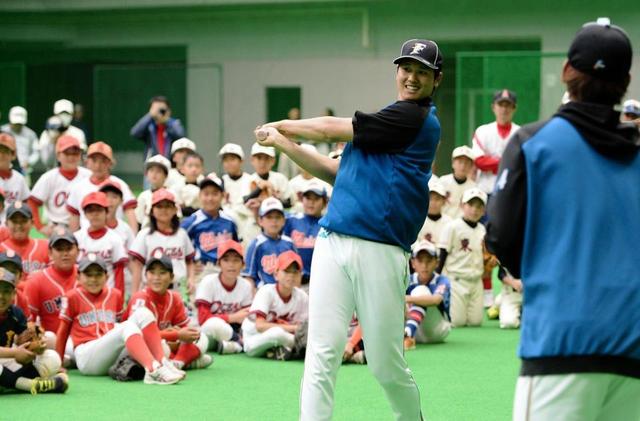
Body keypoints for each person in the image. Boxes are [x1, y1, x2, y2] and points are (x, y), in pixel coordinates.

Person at [255, 38, 442, 420]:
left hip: (381, 249)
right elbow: (334, 171)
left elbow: (326, 129)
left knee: (384, 363)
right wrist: (281, 143)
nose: (411, 77)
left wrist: (282, 124)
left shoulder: (417, 119)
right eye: (406, 69)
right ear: (397, 71)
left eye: (422, 72)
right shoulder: (387, 118)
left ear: (435, 80)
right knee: (321, 353)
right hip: (333, 241)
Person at [486, 18, 640, 420]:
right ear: (625, 82)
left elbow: (499, 234)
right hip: (632, 347)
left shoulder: (533, 142)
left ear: (566, 72)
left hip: (562, 341)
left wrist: (540, 271)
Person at [56, 253, 184, 384]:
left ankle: (162, 362)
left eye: (98, 274)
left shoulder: (115, 295)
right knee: (127, 327)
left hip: (111, 353)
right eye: (88, 275)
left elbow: (123, 329)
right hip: (87, 356)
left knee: (143, 313)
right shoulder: (71, 297)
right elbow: (62, 332)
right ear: (78, 277)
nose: (93, 279)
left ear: (106, 276)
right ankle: (152, 370)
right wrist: (58, 364)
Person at [123, 251, 212, 370]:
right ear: (146, 276)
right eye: (152, 272)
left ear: (171, 277)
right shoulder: (140, 299)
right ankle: (188, 361)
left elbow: (185, 330)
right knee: (162, 348)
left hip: (167, 345)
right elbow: (136, 338)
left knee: (200, 337)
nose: (156, 277)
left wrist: (179, 334)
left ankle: (177, 363)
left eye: (162, 273)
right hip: (139, 348)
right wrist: (175, 335)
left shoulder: (174, 298)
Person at [0, 269, 69, 394]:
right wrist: (16, 352)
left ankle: (8, 382)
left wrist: (36, 347)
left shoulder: (16, 313)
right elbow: (16, 352)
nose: (1, 296)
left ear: (13, 294)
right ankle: (32, 385)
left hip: (4, 364)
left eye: (6, 291)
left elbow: (25, 344)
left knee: (52, 358)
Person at [241, 250, 308, 358]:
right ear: (276, 274)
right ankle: (298, 349)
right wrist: (294, 328)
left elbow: (303, 326)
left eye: (295, 272)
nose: (291, 276)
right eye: (286, 271)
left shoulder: (302, 297)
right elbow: (260, 326)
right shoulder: (266, 291)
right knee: (277, 333)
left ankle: (279, 352)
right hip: (254, 340)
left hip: (283, 339)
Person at [24, 227, 79, 357]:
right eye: (59, 249)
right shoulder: (37, 280)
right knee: (48, 337)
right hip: (54, 342)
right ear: (50, 253)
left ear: (78, 251)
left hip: (84, 339)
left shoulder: (88, 276)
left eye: (69, 248)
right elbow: (29, 321)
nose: (65, 253)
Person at [129, 189, 195, 294]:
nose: (164, 210)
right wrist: (134, 294)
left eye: (168, 206)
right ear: (152, 211)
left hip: (178, 290)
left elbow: (189, 261)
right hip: (152, 289)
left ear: (174, 210)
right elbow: (137, 267)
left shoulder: (181, 234)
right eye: (159, 206)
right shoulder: (145, 235)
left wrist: (191, 278)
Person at [437, 188, 487, 327]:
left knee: (475, 322)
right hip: (456, 280)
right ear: (462, 206)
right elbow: (443, 254)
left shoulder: (483, 230)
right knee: (457, 322)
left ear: (484, 210)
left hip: (476, 281)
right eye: (470, 205)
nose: (474, 210)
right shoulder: (452, 227)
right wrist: (437, 278)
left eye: (479, 206)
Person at [66, 141, 138, 233]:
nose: (98, 165)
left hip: (115, 237)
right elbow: (74, 218)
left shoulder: (120, 185)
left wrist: (133, 236)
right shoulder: (79, 187)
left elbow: (130, 213)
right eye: (94, 160)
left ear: (110, 163)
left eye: (103, 161)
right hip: (87, 239)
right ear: (87, 162)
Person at [196, 240, 253, 354]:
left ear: (243, 264)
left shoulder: (246, 285)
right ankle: (240, 344)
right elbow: (203, 319)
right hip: (210, 332)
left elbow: (247, 317)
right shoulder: (208, 282)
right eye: (226, 260)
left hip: (235, 331)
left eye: (236, 260)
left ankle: (234, 346)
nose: (231, 265)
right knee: (214, 324)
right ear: (218, 263)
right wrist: (233, 317)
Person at [28, 135, 91, 236]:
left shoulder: (88, 175)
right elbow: (32, 202)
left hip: (85, 227)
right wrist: (40, 226)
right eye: (67, 153)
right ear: (58, 156)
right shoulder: (49, 177)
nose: (71, 157)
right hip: (58, 228)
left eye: (75, 153)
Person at [180, 173, 239, 279]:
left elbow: (236, 248)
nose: (210, 198)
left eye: (215, 194)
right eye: (206, 194)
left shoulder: (230, 221)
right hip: (202, 269)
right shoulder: (192, 222)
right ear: (200, 196)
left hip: (225, 269)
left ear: (222, 195)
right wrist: (189, 264)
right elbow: (178, 246)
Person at [73, 192, 128, 294]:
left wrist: (119, 298)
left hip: (107, 294)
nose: (95, 214)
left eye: (99, 210)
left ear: (106, 212)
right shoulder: (76, 238)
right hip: (80, 293)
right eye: (90, 211)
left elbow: (119, 272)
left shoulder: (115, 239)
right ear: (85, 214)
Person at [403, 240, 451, 350]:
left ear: (437, 262)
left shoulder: (442, 280)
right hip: (417, 330)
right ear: (413, 263)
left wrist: (405, 298)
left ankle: (408, 334)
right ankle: (405, 336)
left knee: (421, 291)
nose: (424, 265)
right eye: (420, 260)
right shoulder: (407, 280)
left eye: (429, 261)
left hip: (436, 330)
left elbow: (435, 300)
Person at [471, 89, 520, 195]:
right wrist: (508, 162)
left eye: (508, 105)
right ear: (493, 107)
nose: (504, 109)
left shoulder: (520, 133)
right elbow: (479, 161)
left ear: (514, 108)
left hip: (511, 191)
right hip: (485, 191)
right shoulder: (482, 131)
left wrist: (492, 163)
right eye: (500, 105)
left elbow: (521, 163)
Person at [283, 181, 328, 288]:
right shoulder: (290, 219)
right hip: (292, 281)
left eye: (316, 199)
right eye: (308, 198)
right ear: (302, 200)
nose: (311, 203)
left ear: (325, 202)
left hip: (319, 282)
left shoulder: (328, 225)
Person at [243, 197, 296, 288]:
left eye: (278, 217)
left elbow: (296, 272)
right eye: (269, 217)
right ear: (260, 221)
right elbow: (249, 276)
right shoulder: (256, 244)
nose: (274, 221)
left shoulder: (289, 243)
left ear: (283, 220)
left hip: (286, 291)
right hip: (264, 291)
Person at [218, 143, 256, 247]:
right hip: (227, 227)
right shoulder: (219, 182)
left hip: (248, 225)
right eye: (226, 160)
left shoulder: (251, 180)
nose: (229, 163)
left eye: (233, 159)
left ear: (241, 161)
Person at [130, 96, 186, 161]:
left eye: (162, 110)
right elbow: (134, 133)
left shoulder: (173, 124)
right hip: (153, 165)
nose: (159, 112)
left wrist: (167, 120)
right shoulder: (149, 127)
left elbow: (181, 135)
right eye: (156, 109)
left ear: (169, 110)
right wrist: (150, 115)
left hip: (170, 165)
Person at [0, 201, 49, 276]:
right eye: (14, 222)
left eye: (23, 221)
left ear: (32, 223)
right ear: (6, 224)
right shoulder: (1, 250)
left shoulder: (45, 246)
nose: (19, 225)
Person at [38, 99, 87, 168]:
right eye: (61, 114)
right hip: (53, 174)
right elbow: (47, 162)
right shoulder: (46, 134)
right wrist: (53, 141)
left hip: (75, 173)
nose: (64, 116)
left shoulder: (78, 133)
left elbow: (82, 158)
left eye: (67, 114)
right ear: (55, 115)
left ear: (72, 114)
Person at [249, 143, 295, 208]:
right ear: (252, 160)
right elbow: (245, 201)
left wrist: (273, 196)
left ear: (273, 161)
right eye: (259, 158)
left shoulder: (280, 178)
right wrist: (259, 188)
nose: (263, 162)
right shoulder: (248, 180)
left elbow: (290, 203)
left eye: (266, 158)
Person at [135, 154, 173, 228]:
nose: (154, 174)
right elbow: (139, 221)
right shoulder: (143, 196)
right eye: (151, 170)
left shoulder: (172, 194)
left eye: (159, 171)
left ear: (166, 175)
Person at [0, 106, 39, 179]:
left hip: (24, 170)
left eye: (19, 124)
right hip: (3, 169)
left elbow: (36, 152)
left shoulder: (31, 134)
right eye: (15, 123)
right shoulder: (2, 131)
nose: (17, 126)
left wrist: (29, 162)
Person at [439, 146, 477, 219]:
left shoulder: (473, 187)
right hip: (442, 223)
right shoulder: (442, 181)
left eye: (467, 163)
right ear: (453, 163)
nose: (463, 166)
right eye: (460, 162)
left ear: (471, 166)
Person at [0, 133, 30, 220]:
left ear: (13, 155)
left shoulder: (19, 179)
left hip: (12, 227)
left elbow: (26, 204)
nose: (1, 155)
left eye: (5, 151)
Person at [413, 180, 451, 247]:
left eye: (437, 199)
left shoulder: (450, 223)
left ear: (444, 201)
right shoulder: (417, 221)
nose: (433, 203)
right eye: (430, 198)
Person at [176, 151, 204, 217]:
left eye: (197, 166)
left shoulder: (206, 187)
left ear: (202, 169)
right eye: (190, 166)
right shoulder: (176, 188)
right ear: (182, 169)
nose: (194, 169)